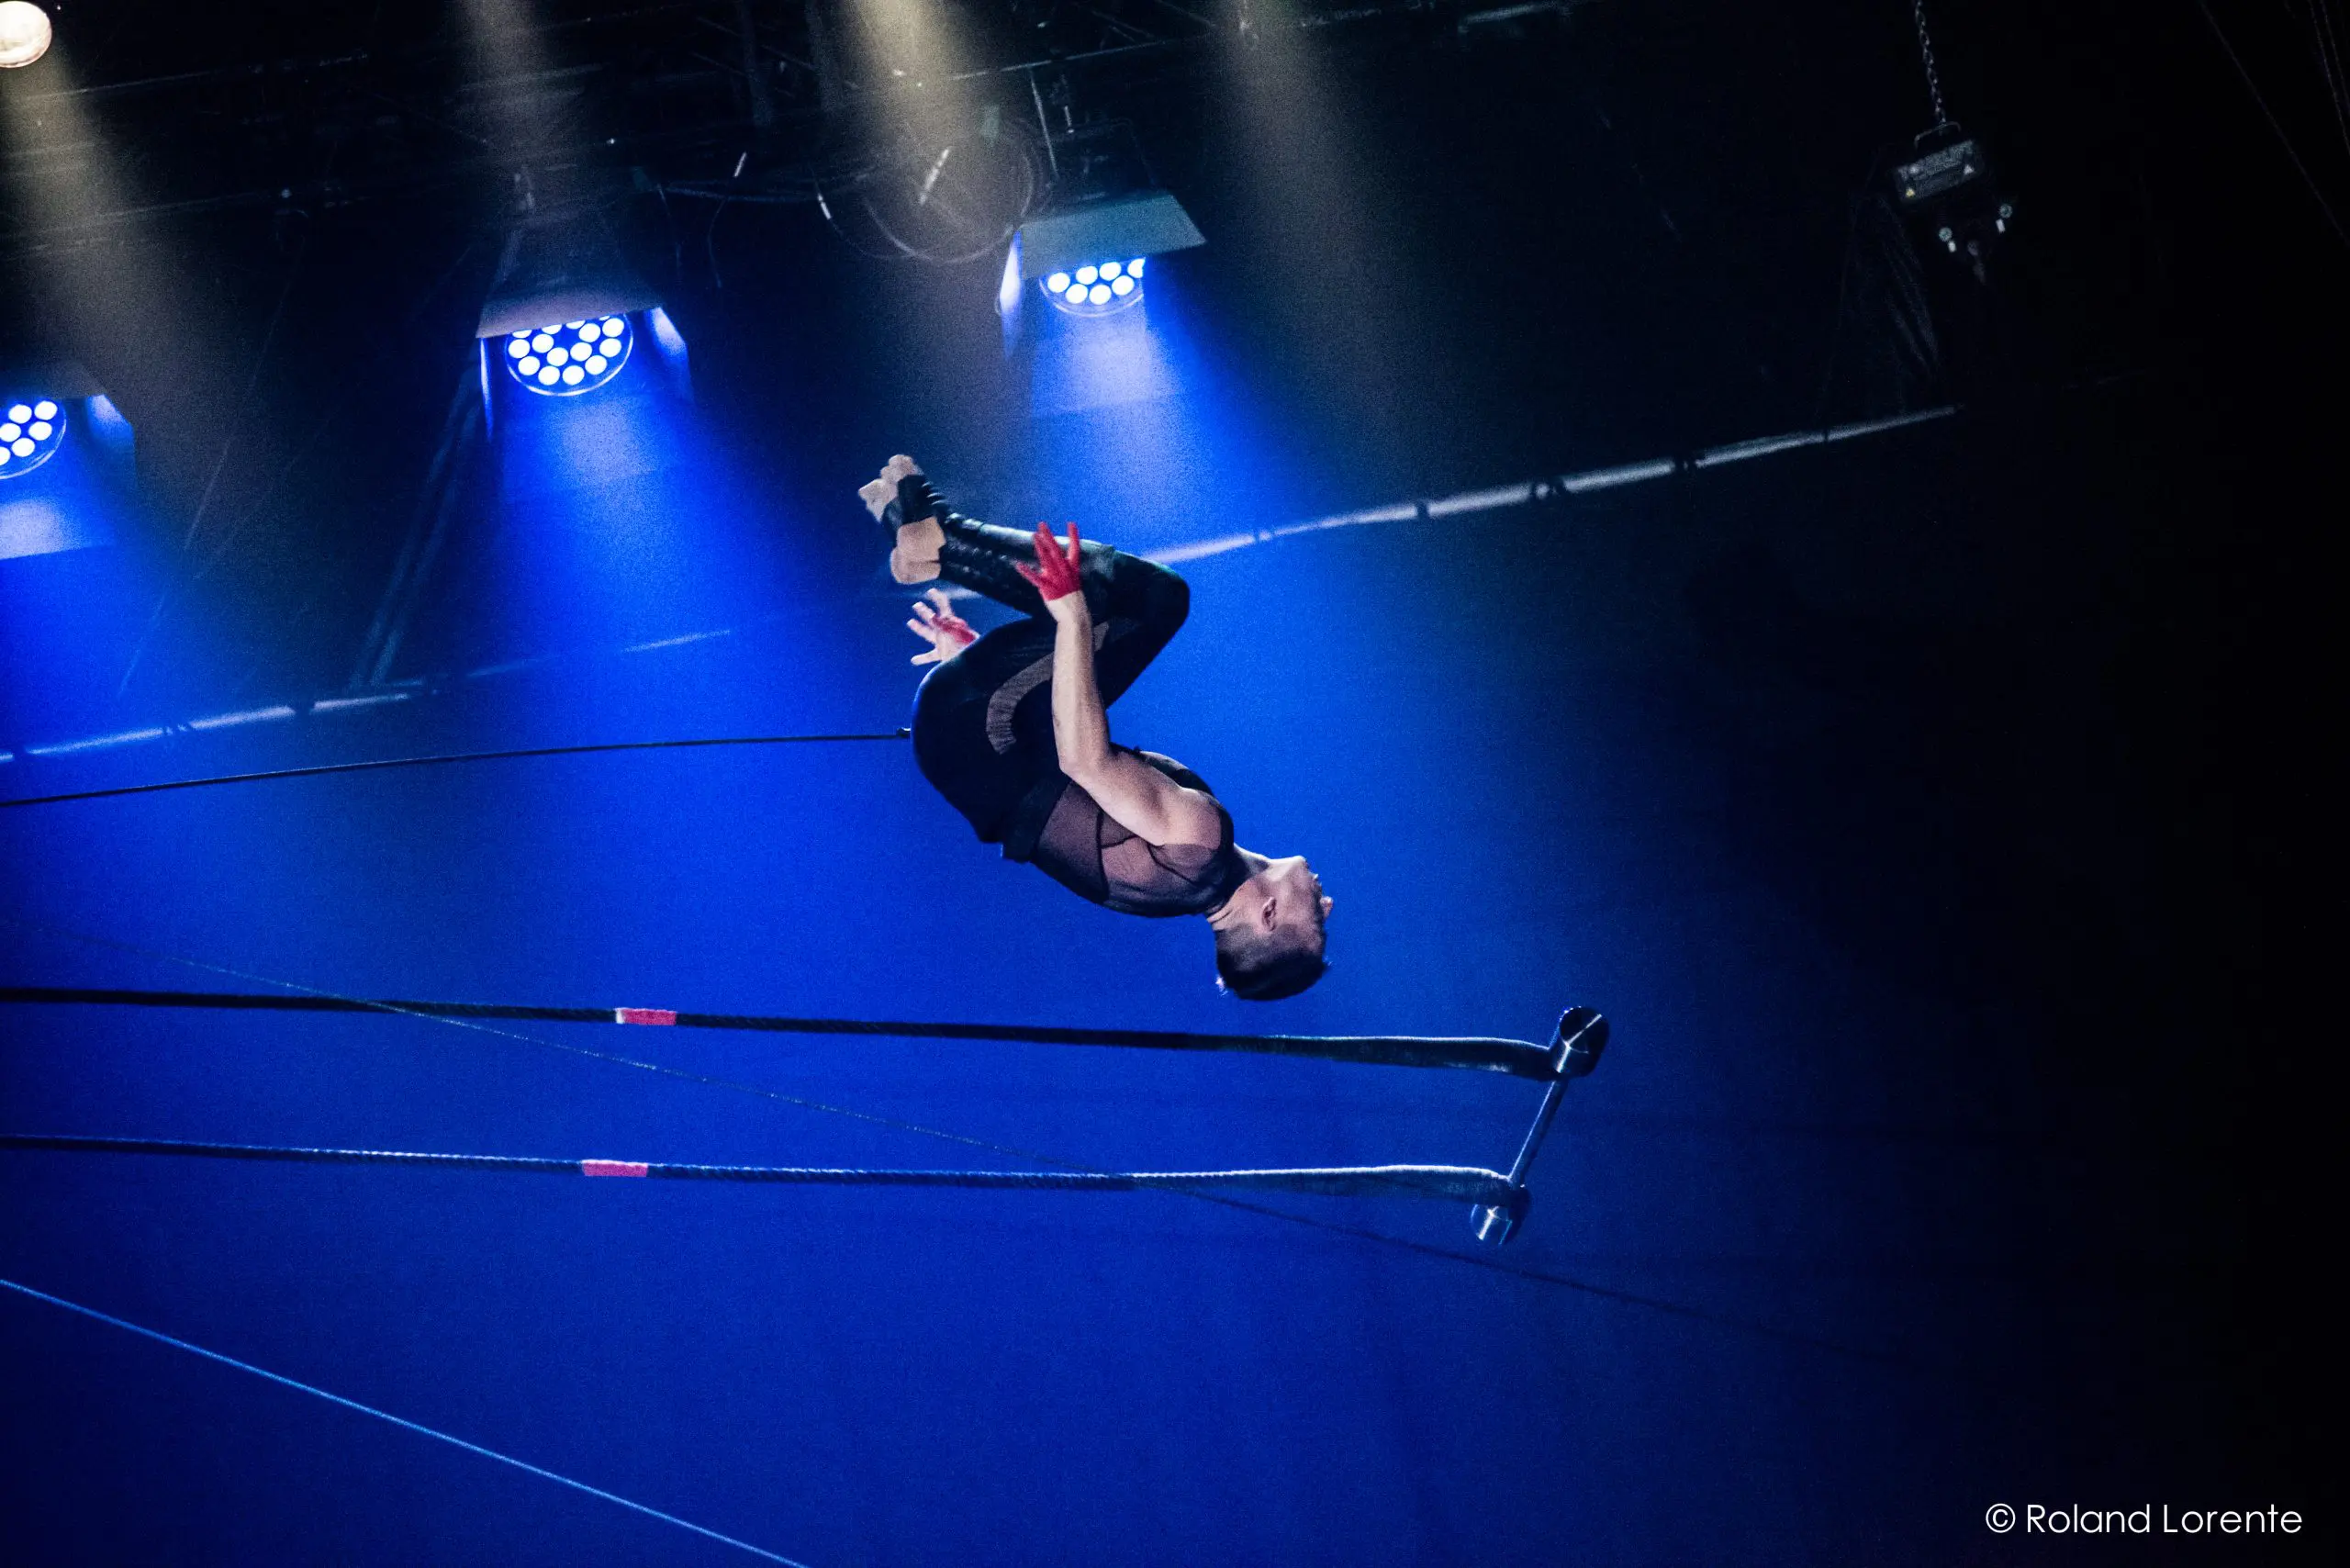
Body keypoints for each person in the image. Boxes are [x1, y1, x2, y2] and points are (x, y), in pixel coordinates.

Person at [858, 455, 1330, 1000]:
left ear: (1269, 914)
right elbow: (1055, 787)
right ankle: (929, 537)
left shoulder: (1199, 844)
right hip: (984, 736)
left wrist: (1070, 619)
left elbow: (1083, 760)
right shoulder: (1178, 887)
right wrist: (981, 665)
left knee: (1152, 600)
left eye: (1317, 921)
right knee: (1137, 606)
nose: (1327, 903)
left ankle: (937, 538)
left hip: (978, 731)